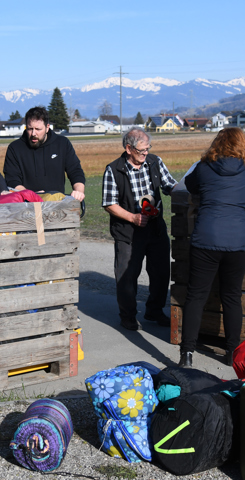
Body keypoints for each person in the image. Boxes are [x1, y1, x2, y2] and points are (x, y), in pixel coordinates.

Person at [178, 127, 245, 368]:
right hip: (238, 242)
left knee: (196, 296)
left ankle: (187, 354)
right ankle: (231, 352)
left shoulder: (203, 167)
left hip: (206, 238)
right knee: (232, 297)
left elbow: (190, 185)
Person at [102, 127, 177, 331]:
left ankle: (155, 310)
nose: (145, 153)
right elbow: (109, 203)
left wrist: (186, 191)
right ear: (129, 148)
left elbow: (170, 184)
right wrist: (132, 217)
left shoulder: (154, 161)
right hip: (128, 232)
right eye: (141, 150)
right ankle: (128, 315)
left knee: (161, 273)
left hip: (156, 229)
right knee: (127, 275)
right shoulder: (114, 169)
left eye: (147, 149)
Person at [3, 106, 86, 201]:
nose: (33, 133)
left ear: (47, 128)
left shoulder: (62, 144)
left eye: (38, 129)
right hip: (25, 205)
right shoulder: (15, 148)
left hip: (57, 205)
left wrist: (79, 191)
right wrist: (32, 196)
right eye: (30, 129)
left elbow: (75, 171)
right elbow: (12, 180)